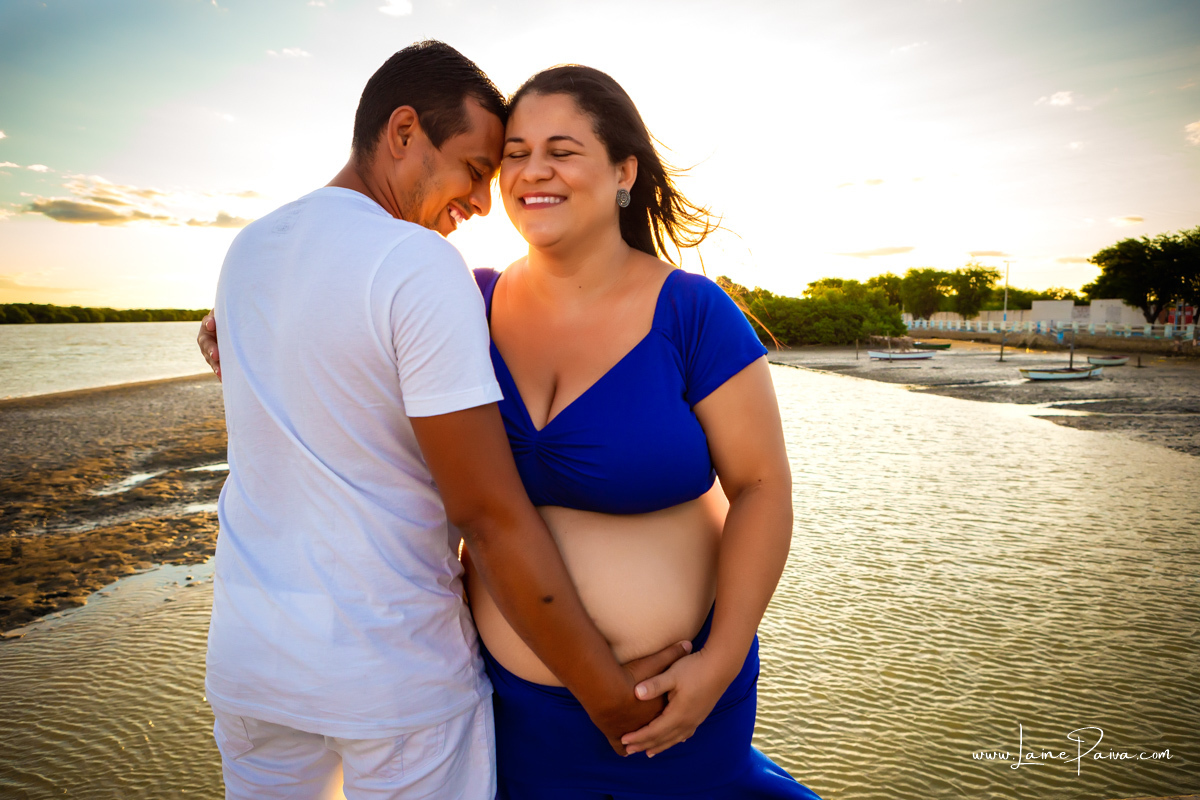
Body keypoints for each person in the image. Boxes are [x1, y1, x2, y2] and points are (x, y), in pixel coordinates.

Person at [201, 42, 689, 800]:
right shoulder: (415, 260)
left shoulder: (250, 249)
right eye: (473, 167)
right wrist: (608, 697)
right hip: (390, 674)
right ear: (403, 132)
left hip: (251, 665)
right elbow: (487, 514)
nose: (482, 200)